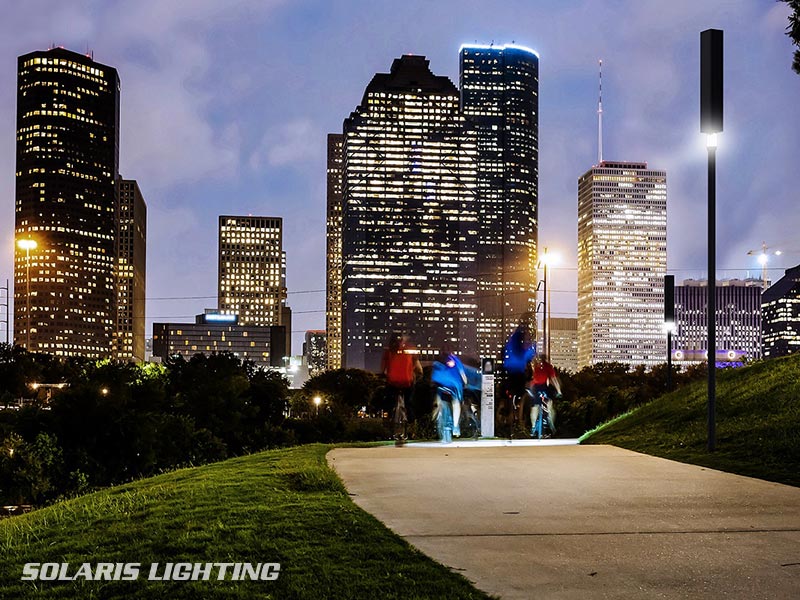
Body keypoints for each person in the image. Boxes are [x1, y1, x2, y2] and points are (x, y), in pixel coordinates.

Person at [381, 334, 422, 427]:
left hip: (392, 382)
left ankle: (387, 423)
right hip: (407, 382)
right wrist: (417, 375)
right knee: (409, 403)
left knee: (389, 402)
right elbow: (419, 370)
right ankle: (412, 426)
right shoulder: (409, 351)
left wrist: (384, 375)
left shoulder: (388, 352)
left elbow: (383, 369)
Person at [503, 315, 537, 424]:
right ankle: (519, 416)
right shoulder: (523, 336)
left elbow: (506, 349)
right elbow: (528, 352)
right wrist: (532, 351)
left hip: (509, 369)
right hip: (518, 370)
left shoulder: (513, 336)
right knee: (523, 393)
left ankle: (508, 408)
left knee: (509, 391)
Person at [431, 344, 467, 441]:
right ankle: (455, 427)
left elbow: (433, 375)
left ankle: (437, 418)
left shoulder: (437, 360)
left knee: (439, 403)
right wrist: (465, 383)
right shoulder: (455, 359)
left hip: (441, 385)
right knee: (456, 403)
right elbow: (463, 375)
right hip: (454, 387)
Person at [529, 353, 561, 438]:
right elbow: (554, 380)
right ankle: (551, 423)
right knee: (550, 405)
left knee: (535, 407)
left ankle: (533, 427)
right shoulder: (548, 366)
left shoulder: (535, 365)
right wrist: (559, 391)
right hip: (543, 387)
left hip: (535, 387)